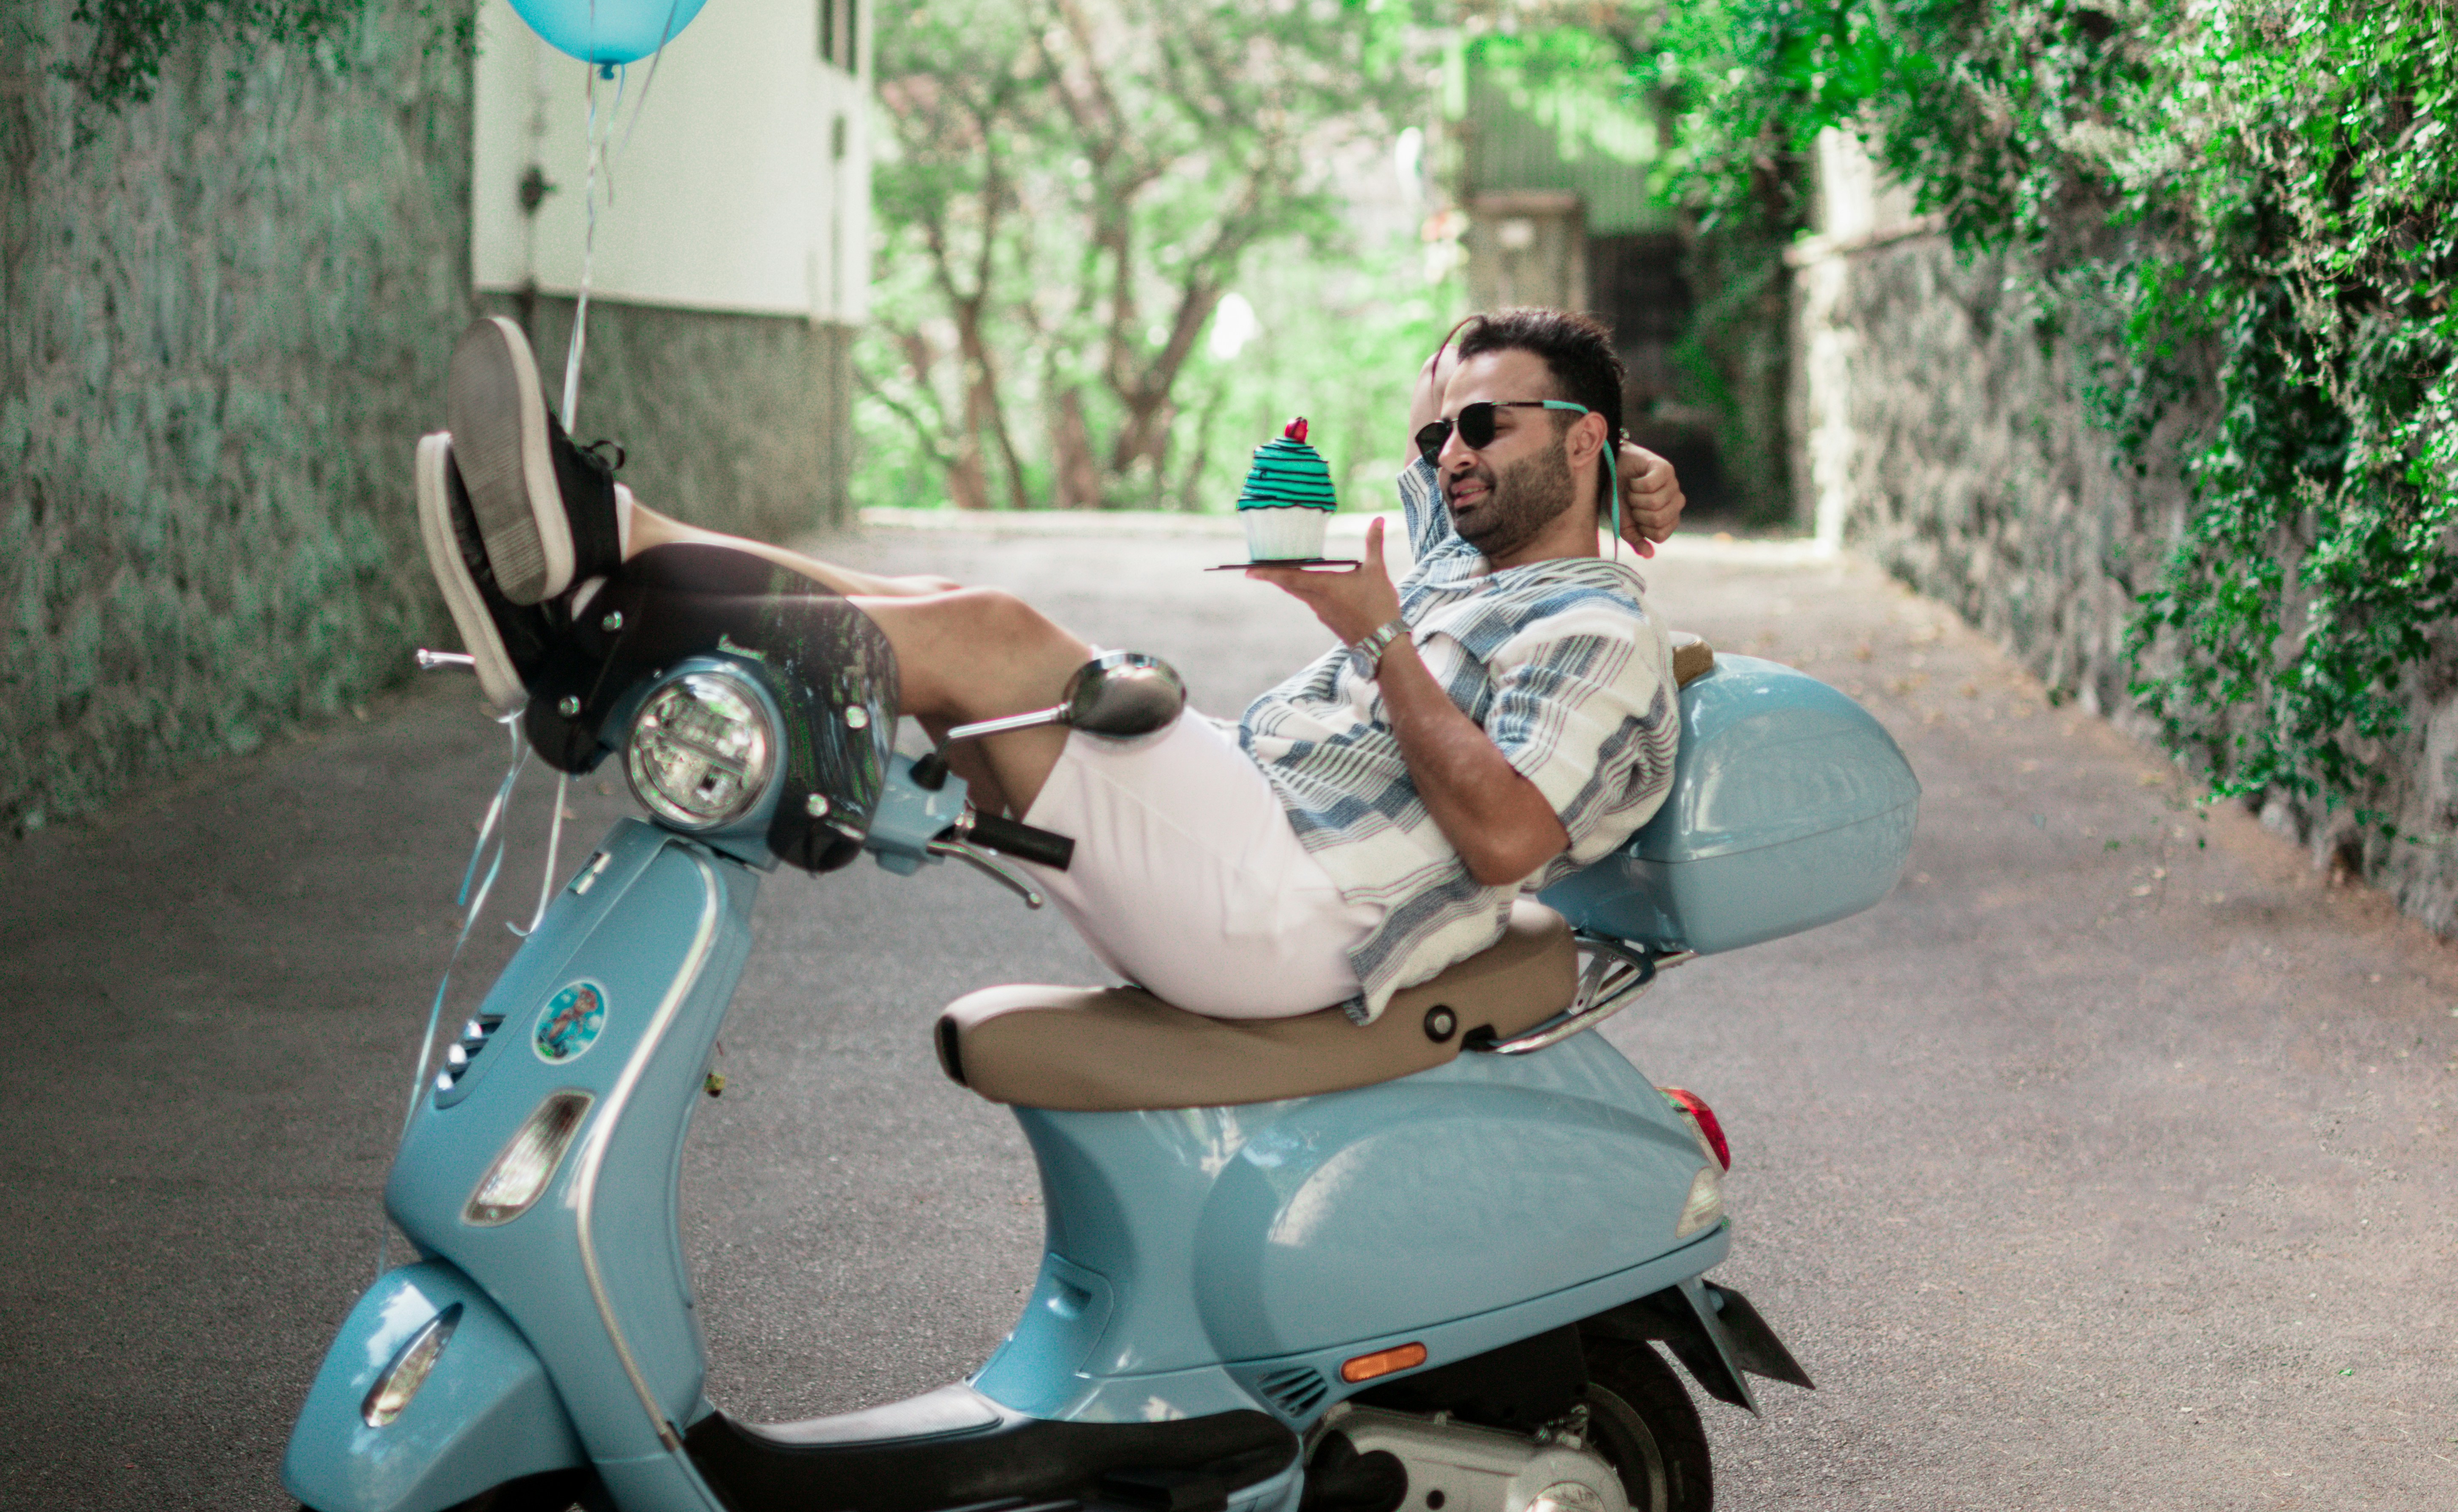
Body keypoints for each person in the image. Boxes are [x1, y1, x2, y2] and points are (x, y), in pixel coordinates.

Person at [416, 306, 1686, 1026]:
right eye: (1435, 431)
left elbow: (1514, 839)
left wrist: (1378, 635)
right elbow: (1466, 460)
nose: (1448, 452)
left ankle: (592, 603)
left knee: (992, 638)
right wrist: (1613, 463)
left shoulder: (1598, 632)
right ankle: (609, 552)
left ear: (1572, 446)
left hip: (1299, 902)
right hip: (1250, 830)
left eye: (1483, 427)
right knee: (942, 607)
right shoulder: (1474, 564)